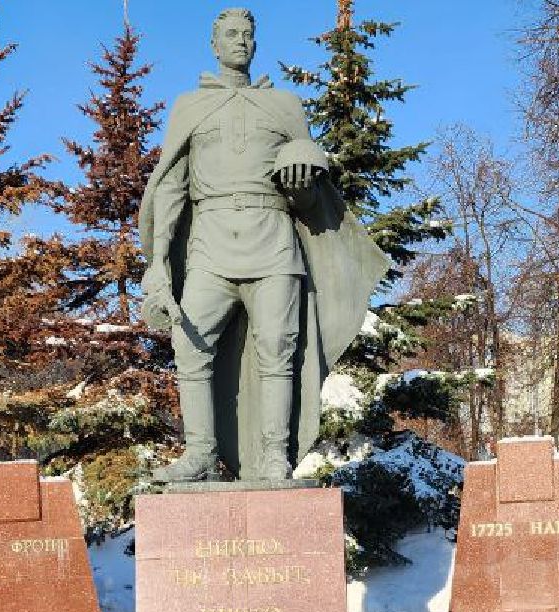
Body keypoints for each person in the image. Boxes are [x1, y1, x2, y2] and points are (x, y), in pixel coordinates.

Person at [139, 6, 387, 483]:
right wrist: (159, 263)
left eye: (248, 34)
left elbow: (311, 196)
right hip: (209, 245)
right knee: (190, 348)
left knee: (278, 348)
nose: (240, 41)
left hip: (273, 241)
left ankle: (275, 454)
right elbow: (170, 188)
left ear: (256, 42)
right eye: (230, 34)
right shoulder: (189, 105)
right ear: (214, 44)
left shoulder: (286, 107)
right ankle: (200, 455)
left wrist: (301, 182)